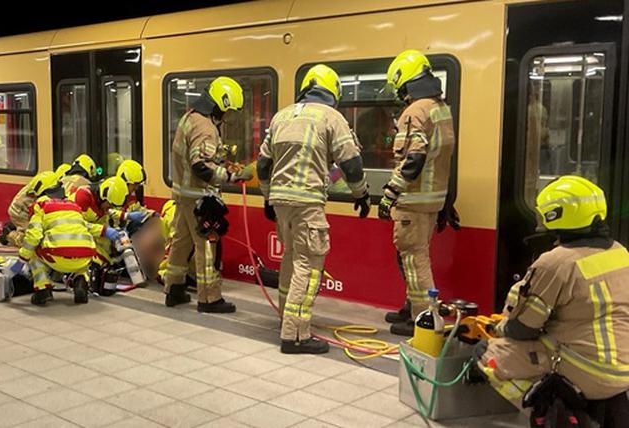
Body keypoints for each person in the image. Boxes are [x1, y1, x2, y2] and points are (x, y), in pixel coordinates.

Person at [475, 175, 629, 412]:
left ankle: (548, 408)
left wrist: (497, 329)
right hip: (623, 369)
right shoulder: (620, 252)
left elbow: (523, 329)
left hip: (589, 370)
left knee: (488, 355)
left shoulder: (555, 262)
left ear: (556, 215)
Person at [256, 64, 370, 354]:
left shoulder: (282, 116)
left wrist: (267, 197)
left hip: (281, 202)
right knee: (309, 266)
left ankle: (286, 318)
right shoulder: (332, 117)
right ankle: (295, 335)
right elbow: (351, 164)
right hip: (307, 202)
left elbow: (263, 164)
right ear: (333, 92)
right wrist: (362, 194)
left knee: (291, 261)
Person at [378, 50, 459, 337]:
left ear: (405, 82)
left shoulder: (415, 112)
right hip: (432, 200)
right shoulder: (440, 108)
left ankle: (423, 321)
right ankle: (410, 308)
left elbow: (413, 159)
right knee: (412, 259)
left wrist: (389, 193)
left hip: (412, 202)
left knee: (414, 261)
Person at [163, 76, 251, 313]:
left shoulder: (189, 118)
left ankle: (174, 289)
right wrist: (230, 176)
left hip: (183, 194)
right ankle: (209, 298)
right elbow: (200, 165)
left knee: (181, 242)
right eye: (229, 111)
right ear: (220, 105)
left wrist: (222, 162)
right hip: (199, 197)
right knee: (208, 245)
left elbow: (196, 158)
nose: (228, 117)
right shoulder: (206, 128)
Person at [16, 172, 104, 306]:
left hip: (57, 256)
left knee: (33, 251)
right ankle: (81, 281)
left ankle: (43, 289)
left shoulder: (40, 205)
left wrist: (23, 257)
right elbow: (85, 226)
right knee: (80, 248)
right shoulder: (73, 206)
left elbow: (34, 235)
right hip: (85, 257)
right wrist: (105, 231)